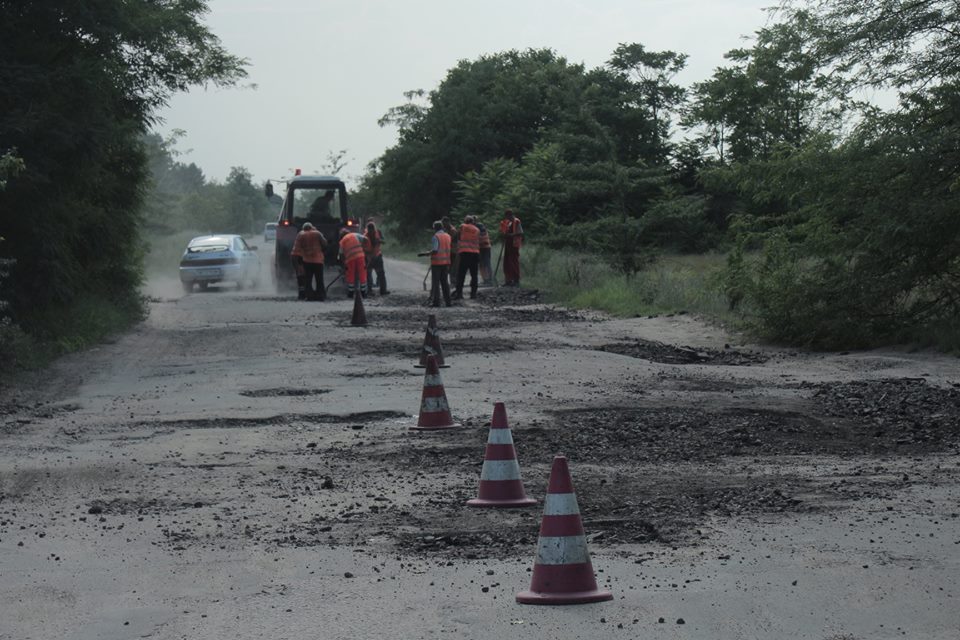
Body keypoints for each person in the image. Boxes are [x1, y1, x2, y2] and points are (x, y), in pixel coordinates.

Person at [417, 221, 452, 307]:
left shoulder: (436, 237)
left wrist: (427, 253)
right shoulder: (448, 236)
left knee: (436, 283)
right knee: (445, 283)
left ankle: (437, 302)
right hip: (446, 262)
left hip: (437, 263)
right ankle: (448, 302)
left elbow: (435, 250)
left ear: (435, 228)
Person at [291, 222, 327, 301]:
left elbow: (297, 248)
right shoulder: (317, 233)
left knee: (308, 280)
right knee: (319, 279)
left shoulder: (301, 235)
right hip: (318, 261)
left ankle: (309, 296)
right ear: (311, 227)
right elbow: (324, 243)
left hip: (307, 261)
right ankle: (320, 296)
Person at [454, 215, 480, 300]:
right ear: (472, 221)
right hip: (475, 254)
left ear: (465, 221)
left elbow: (457, 236)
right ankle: (473, 294)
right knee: (474, 275)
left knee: (461, 274)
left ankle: (459, 294)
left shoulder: (463, 226)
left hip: (465, 253)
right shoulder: (477, 229)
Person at [338, 227, 369, 298]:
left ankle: (351, 293)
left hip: (350, 259)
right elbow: (366, 239)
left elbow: (341, 254)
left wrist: (344, 264)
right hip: (360, 256)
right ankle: (363, 293)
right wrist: (365, 248)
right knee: (362, 274)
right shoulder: (355, 235)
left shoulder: (342, 241)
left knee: (350, 275)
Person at [499, 209, 524, 286]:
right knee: (507, 262)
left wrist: (511, 235)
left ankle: (516, 280)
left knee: (514, 262)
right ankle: (508, 280)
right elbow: (505, 231)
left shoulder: (517, 221)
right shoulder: (508, 222)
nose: (507, 218)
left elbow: (520, 232)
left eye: (507, 216)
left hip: (514, 244)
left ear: (510, 215)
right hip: (508, 244)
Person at [364, 221, 389, 295]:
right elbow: (363, 248)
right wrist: (368, 256)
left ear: (374, 229)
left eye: (372, 230)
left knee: (381, 274)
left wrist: (380, 241)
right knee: (368, 275)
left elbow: (383, 241)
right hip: (369, 257)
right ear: (368, 229)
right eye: (369, 230)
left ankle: (383, 290)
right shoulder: (365, 237)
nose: (371, 231)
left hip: (377, 256)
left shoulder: (377, 234)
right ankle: (369, 290)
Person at [442, 216, 459, 288]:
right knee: (450, 267)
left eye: (444, 223)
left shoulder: (452, 230)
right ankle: (453, 282)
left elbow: (449, 240)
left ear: (447, 222)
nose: (443, 225)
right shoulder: (448, 230)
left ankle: (454, 282)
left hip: (454, 251)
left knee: (453, 267)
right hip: (451, 251)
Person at [476, 218, 493, 286]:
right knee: (487, 264)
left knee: (483, 265)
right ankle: (489, 279)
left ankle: (487, 280)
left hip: (482, 249)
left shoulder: (478, 233)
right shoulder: (485, 231)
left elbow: (478, 241)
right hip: (487, 248)